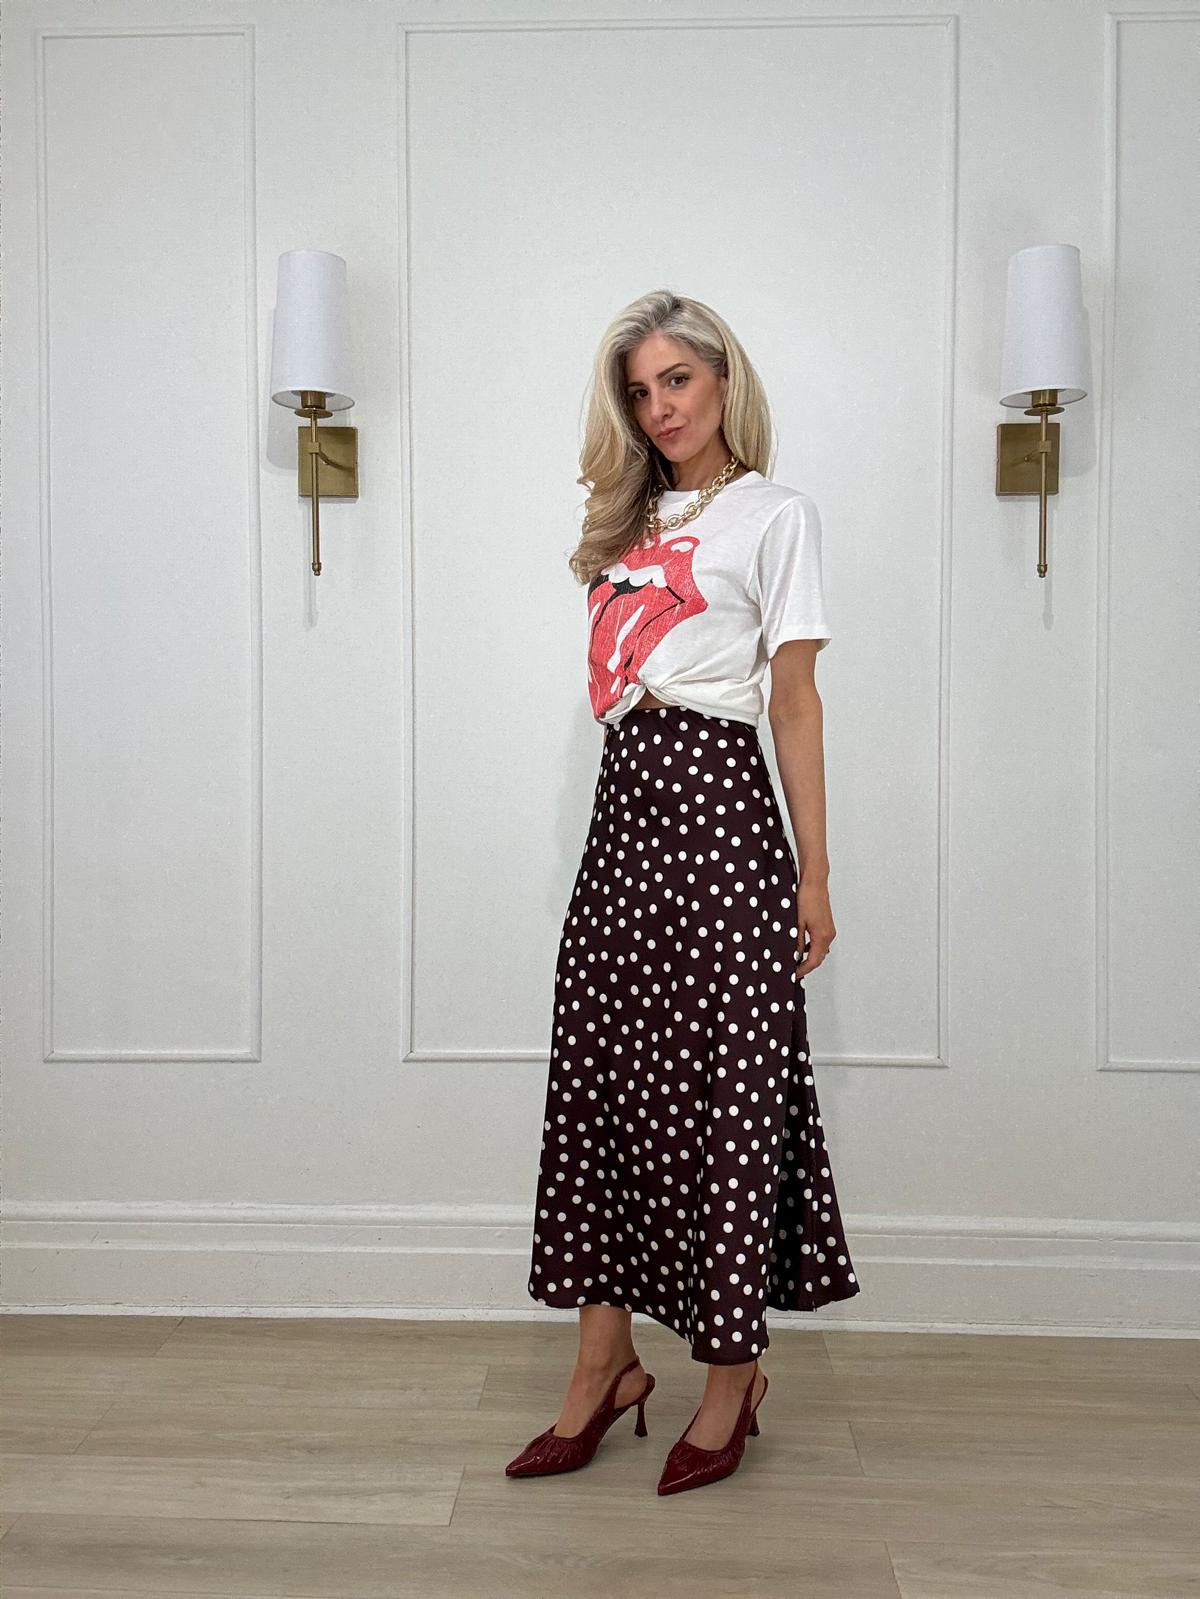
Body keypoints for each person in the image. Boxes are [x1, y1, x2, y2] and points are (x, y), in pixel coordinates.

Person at [506, 290, 860, 1496]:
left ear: (722, 381)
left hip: (721, 805)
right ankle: (603, 1364)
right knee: (604, 1075)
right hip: (628, 806)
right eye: (641, 391)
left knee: (729, 1087)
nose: (660, 408)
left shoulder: (776, 515)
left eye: (677, 381)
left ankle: (730, 1377)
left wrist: (815, 871)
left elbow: (795, 700)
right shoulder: (627, 518)